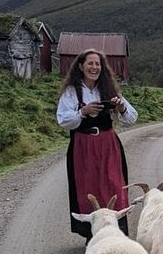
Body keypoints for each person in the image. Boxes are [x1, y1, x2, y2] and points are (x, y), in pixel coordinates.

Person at [56, 48, 138, 244]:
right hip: (82, 146)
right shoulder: (71, 92)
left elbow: (132, 119)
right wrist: (82, 112)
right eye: (90, 63)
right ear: (81, 66)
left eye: (98, 64)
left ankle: (118, 231)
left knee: (113, 186)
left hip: (108, 144)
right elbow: (62, 120)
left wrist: (121, 108)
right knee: (88, 188)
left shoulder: (108, 89)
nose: (94, 67)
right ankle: (92, 234)